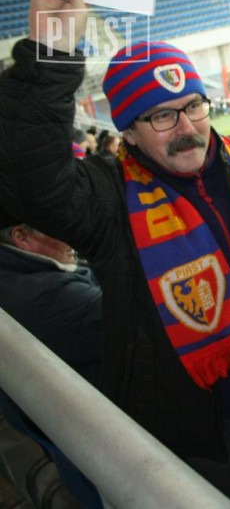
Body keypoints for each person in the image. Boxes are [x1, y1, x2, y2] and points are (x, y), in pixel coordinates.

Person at [0, 0, 230, 508]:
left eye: (194, 106)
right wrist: (52, 49)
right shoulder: (108, 197)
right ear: (128, 132)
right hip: (205, 439)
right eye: (162, 116)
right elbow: (31, 181)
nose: (187, 128)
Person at [0, 210, 103, 508]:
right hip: (98, 455)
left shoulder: (21, 274)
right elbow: (143, 327)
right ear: (22, 237)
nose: (71, 236)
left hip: (64, 443)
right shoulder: (48, 297)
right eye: (57, 226)